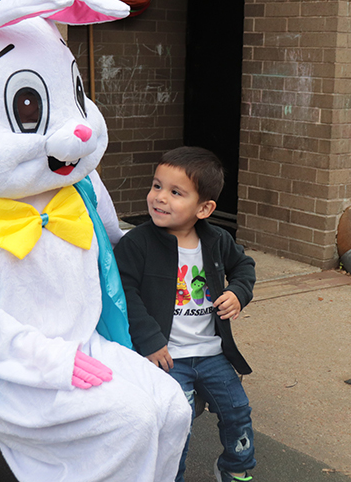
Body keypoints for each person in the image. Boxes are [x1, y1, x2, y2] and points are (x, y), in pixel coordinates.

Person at [113, 146, 257, 482]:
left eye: (176, 192)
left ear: (204, 208)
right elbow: (124, 292)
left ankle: (235, 470)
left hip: (212, 355)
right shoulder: (138, 244)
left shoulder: (217, 240)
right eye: (157, 186)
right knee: (177, 423)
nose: (159, 198)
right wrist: (148, 340)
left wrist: (238, 293)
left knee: (238, 412)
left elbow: (243, 266)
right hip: (166, 358)